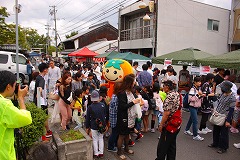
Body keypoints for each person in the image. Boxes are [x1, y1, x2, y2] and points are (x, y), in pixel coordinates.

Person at [0, 70, 32, 160]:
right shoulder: (4, 105)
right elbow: (25, 119)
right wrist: (21, 98)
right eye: (14, 85)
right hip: (3, 154)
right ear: (8, 87)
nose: (15, 88)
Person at [116, 74, 140, 160]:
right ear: (129, 83)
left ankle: (126, 149)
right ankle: (119, 152)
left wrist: (137, 100)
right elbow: (122, 107)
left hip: (131, 117)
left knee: (127, 134)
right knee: (122, 135)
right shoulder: (122, 93)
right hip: (123, 117)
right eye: (133, 82)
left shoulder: (131, 91)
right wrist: (133, 102)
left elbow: (136, 98)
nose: (134, 83)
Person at [208, 81, 236, 154]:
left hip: (225, 116)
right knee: (216, 130)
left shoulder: (232, 98)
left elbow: (231, 110)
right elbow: (218, 102)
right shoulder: (222, 94)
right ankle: (215, 143)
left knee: (224, 133)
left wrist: (228, 121)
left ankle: (223, 147)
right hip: (218, 114)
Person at [156, 80, 180, 160]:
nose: (163, 88)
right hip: (176, 123)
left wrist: (161, 125)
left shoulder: (169, 96)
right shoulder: (177, 94)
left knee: (163, 146)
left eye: (164, 86)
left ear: (167, 87)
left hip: (169, 124)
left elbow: (166, 113)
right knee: (171, 146)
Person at [34, 63, 52, 140]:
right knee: (43, 118)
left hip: (41, 101)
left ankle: (47, 131)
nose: (48, 70)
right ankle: (43, 135)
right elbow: (40, 87)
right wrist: (40, 91)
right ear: (45, 70)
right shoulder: (41, 79)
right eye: (47, 69)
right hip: (41, 102)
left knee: (44, 118)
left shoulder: (39, 77)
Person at [86, 90, 107, 159]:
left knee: (95, 140)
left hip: (94, 125)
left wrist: (87, 127)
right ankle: (101, 153)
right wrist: (105, 124)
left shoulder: (90, 107)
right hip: (102, 125)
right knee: (101, 138)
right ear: (98, 97)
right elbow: (105, 115)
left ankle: (96, 153)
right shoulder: (103, 105)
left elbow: (87, 118)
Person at [184, 76, 205, 141]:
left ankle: (187, 129)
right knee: (195, 121)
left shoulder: (198, 89)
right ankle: (195, 135)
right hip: (192, 106)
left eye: (200, 81)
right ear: (195, 82)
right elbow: (191, 98)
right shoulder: (193, 89)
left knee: (191, 119)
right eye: (198, 82)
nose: (200, 83)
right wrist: (199, 95)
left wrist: (202, 96)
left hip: (196, 106)